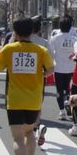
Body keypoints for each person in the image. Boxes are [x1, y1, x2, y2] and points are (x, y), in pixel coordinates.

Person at [0, 18, 54, 155]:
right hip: (34, 100)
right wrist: (40, 74)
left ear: (16, 32)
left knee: (17, 138)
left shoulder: (9, 49)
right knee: (29, 133)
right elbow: (50, 69)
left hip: (14, 100)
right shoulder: (41, 50)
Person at [30, 17, 53, 146]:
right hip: (39, 77)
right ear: (39, 29)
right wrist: (45, 73)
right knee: (37, 104)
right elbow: (51, 59)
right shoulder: (44, 43)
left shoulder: (20, 42)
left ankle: (31, 130)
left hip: (20, 79)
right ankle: (37, 126)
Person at [50, 15, 77, 120]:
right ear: (70, 26)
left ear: (59, 26)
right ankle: (68, 108)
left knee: (59, 90)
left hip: (58, 67)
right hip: (71, 67)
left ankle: (62, 111)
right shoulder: (75, 39)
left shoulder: (54, 39)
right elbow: (76, 54)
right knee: (68, 89)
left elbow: (51, 53)